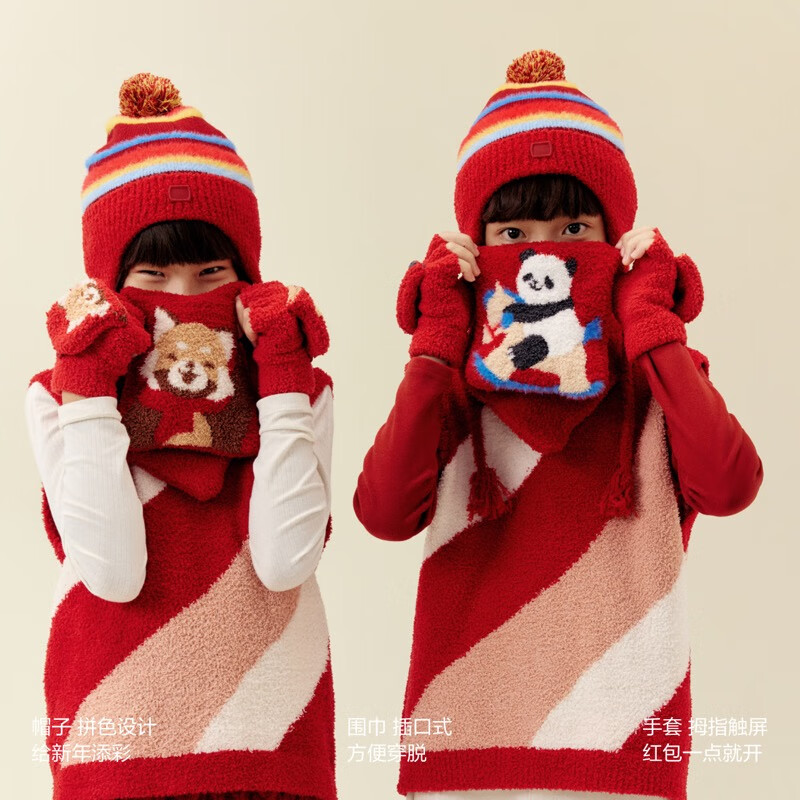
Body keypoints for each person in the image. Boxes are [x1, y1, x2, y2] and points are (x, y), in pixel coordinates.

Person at [353, 50, 763, 800]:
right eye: (512, 232)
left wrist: (652, 325)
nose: (543, 250)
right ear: (477, 247)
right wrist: (435, 344)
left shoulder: (653, 372)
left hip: (622, 740)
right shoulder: (456, 380)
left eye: (574, 224)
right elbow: (383, 514)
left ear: (616, 238)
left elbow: (730, 485)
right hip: (467, 736)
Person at [25, 73, 337, 800]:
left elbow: (286, 560)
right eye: (153, 273)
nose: (186, 297)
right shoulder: (60, 393)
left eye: (212, 272)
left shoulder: (296, 385)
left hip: (270, 727)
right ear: (111, 282)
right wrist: (89, 385)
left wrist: (282, 378)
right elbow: (111, 573)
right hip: (113, 721)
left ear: (247, 273)